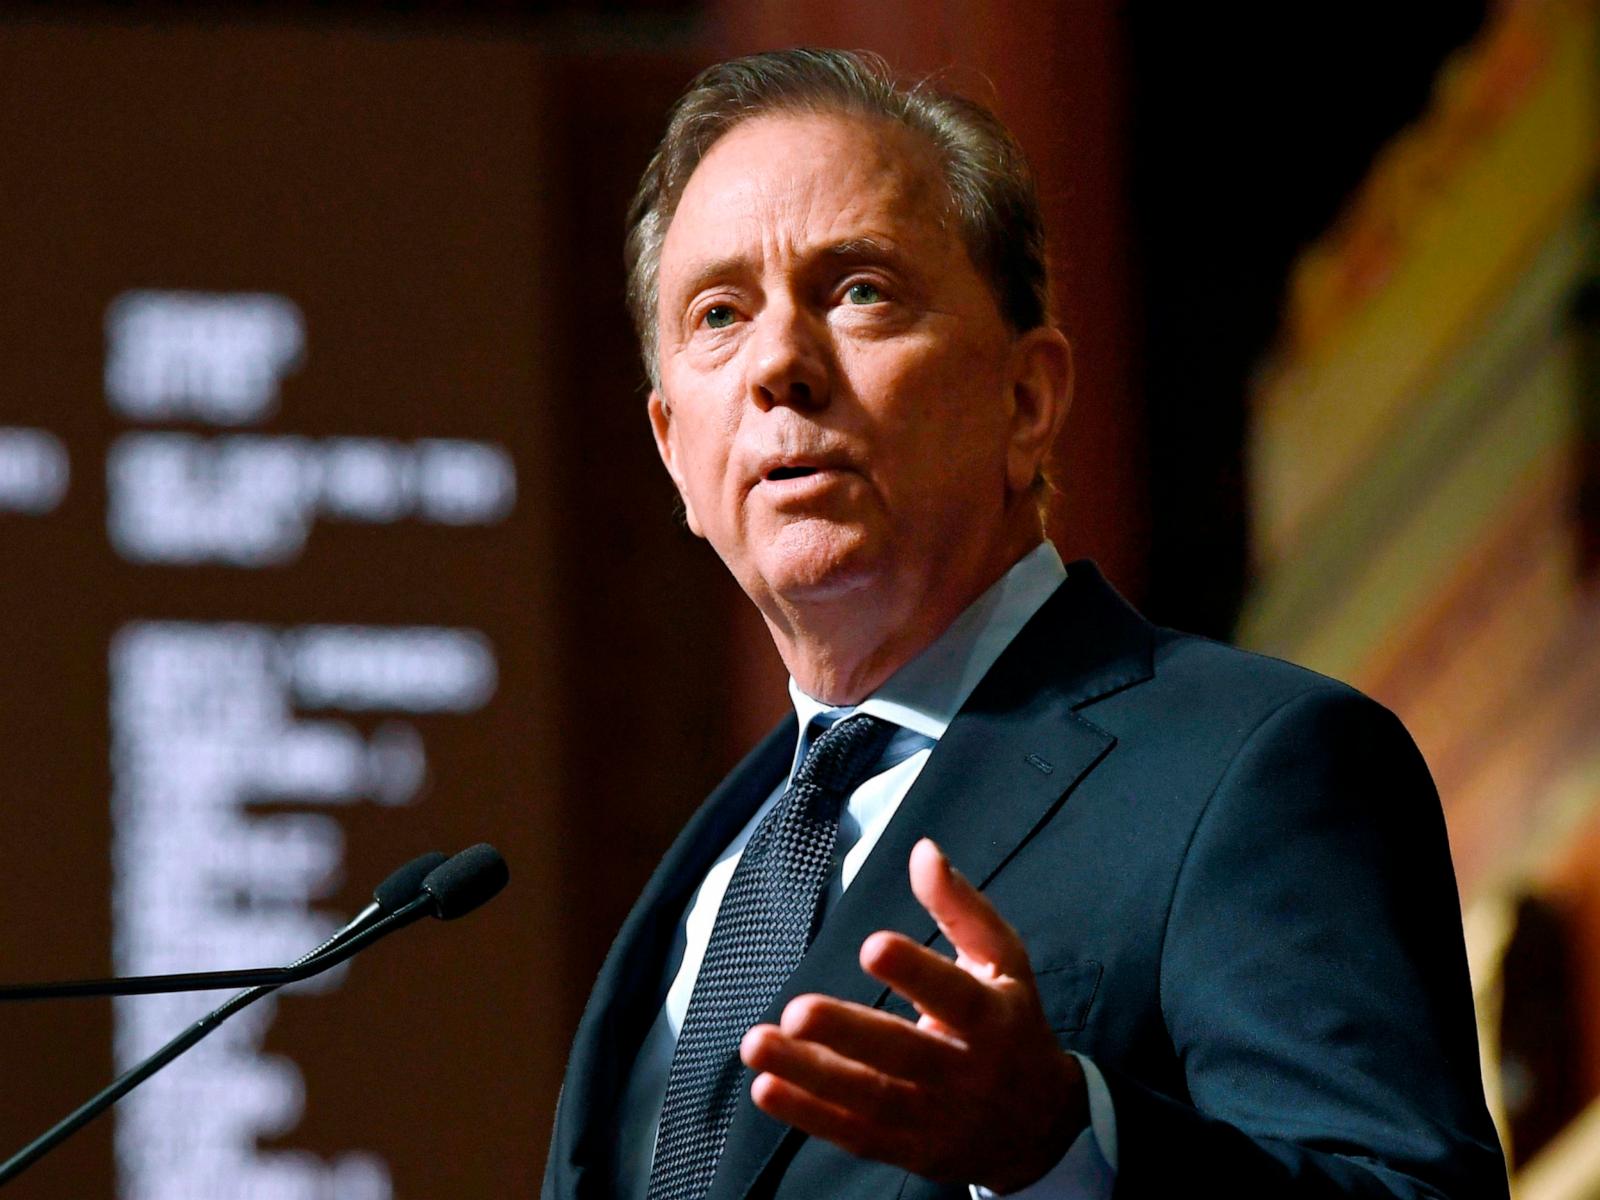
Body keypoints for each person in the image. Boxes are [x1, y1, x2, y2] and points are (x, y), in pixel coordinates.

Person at [543, 48, 1508, 1200]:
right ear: (672, 451)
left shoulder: (1254, 768)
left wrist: (1065, 1147)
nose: (779, 367)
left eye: (858, 290)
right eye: (718, 314)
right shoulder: (699, 885)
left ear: (1028, 398)